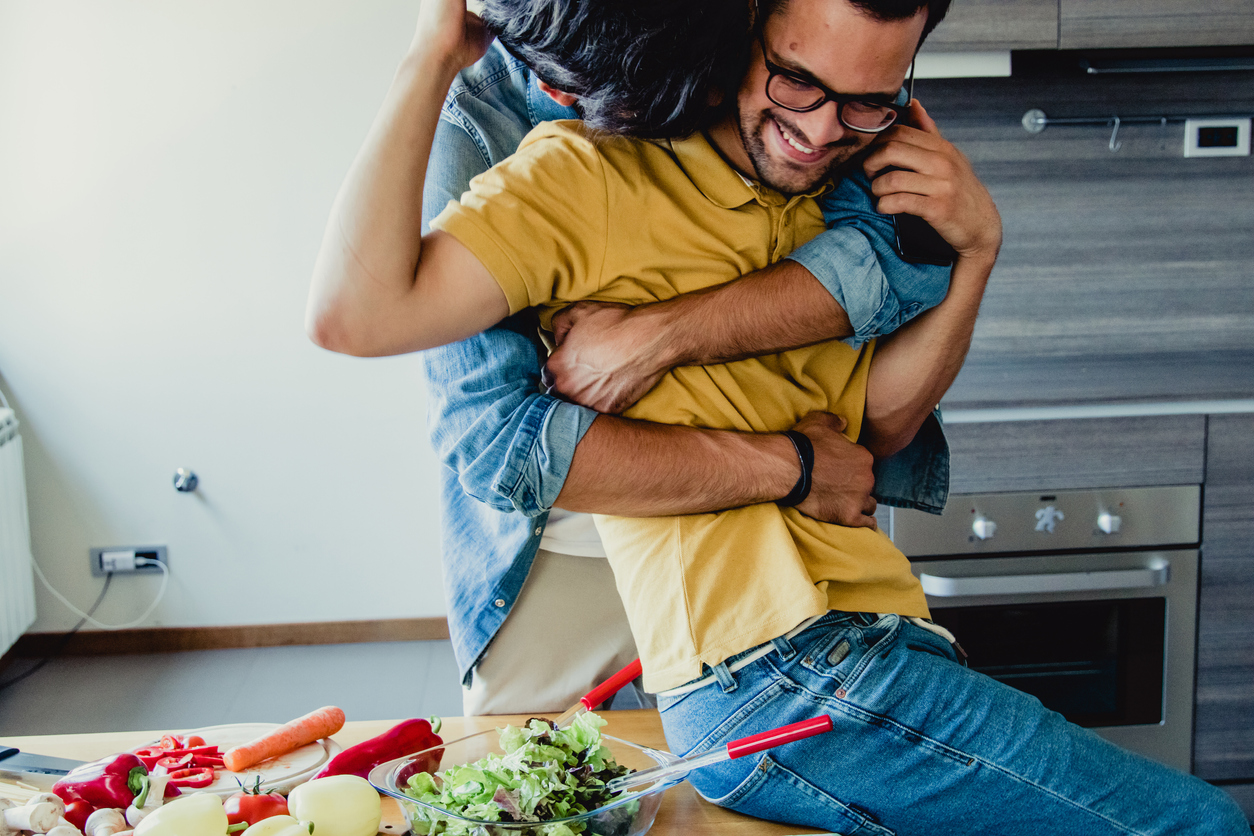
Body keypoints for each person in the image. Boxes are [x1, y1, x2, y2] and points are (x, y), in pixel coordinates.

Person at [306, 0, 1247, 830]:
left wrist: (978, 254)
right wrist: (432, 49)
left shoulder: (829, 175)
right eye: (797, 82)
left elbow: (876, 424)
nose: (824, 126)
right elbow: (447, 396)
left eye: (865, 102)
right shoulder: (572, 171)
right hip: (694, 627)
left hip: (856, 632)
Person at [418, 0, 952, 716]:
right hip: (563, 566)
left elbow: (899, 257)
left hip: (774, 555)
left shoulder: (806, 62)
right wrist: (791, 466)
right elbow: (495, 442)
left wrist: (658, 335)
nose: (827, 125)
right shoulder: (484, 122)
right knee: (551, 803)